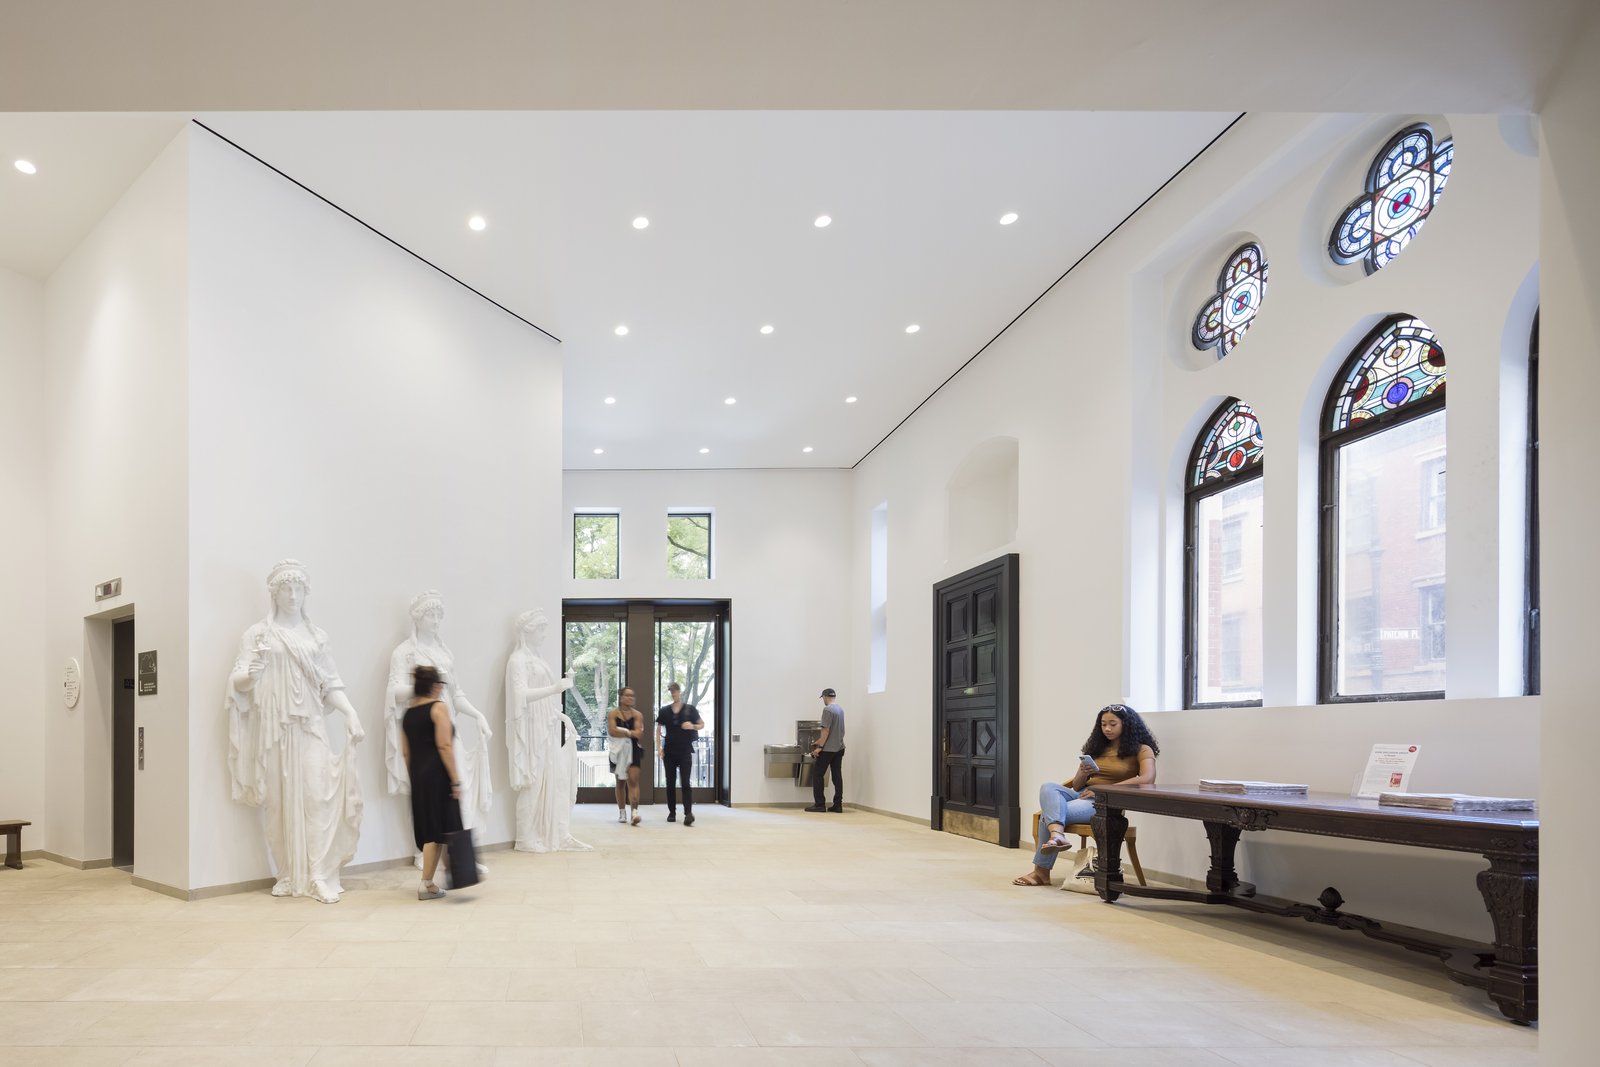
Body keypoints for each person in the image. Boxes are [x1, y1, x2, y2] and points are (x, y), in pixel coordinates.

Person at [226, 559, 364, 905]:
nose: (292, 595)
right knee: (278, 806)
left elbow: (330, 682)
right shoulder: (258, 635)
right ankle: (288, 874)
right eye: (285, 588)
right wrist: (251, 675)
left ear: (306, 592)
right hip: (273, 728)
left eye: (298, 588)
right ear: (274, 593)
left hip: (311, 724)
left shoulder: (317, 637)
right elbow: (238, 680)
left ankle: (317, 874)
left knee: (317, 797)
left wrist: (350, 713)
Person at [385, 591, 493, 864]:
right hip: (423, 729)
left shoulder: (445, 653)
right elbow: (394, 691)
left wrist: (478, 715)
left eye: (438, 615)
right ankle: (425, 852)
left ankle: (458, 854)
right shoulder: (404, 652)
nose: (435, 620)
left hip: (446, 725)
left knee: (457, 791)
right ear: (418, 618)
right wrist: (424, 687)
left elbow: (456, 694)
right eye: (430, 614)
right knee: (428, 796)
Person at [1013, 703, 1160, 887]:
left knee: (1046, 816)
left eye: (1113, 724)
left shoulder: (1142, 749)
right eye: (1103, 724)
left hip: (1104, 801)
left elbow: (1147, 778)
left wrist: (1103, 790)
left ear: (1126, 724)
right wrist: (1083, 772)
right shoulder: (1097, 748)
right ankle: (1057, 835)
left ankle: (1041, 872)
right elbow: (1076, 785)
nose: (1107, 728)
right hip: (1082, 794)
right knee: (1048, 787)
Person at [506, 608, 589, 853]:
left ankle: (557, 832)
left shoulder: (538, 659)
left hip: (546, 724)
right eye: (541, 629)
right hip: (530, 727)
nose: (544, 634)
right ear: (527, 631)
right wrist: (554, 689)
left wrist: (563, 717)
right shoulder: (517, 661)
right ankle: (525, 839)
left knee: (553, 781)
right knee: (533, 781)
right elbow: (520, 695)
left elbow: (545, 700)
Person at [401, 665, 464, 900]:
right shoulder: (439, 708)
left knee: (431, 829)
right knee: (440, 829)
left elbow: (406, 753)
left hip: (419, 776)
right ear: (435, 686)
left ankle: (430, 882)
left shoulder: (408, 713)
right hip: (438, 775)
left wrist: (416, 777)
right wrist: (455, 781)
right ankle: (427, 883)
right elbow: (444, 746)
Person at [656, 682, 704, 826]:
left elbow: (702, 724)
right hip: (669, 750)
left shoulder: (690, 710)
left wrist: (692, 726)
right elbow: (658, 729)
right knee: (670, 782)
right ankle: (672, 812)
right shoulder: (664, 711)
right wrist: (659, 748)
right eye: (671, 691)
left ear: (680, 692)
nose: (673, 693)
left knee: (685, 782)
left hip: (684, 751)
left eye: (675, 691)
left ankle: (688, 813)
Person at [608, 688, 646, 825]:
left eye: (632, 695)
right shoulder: (612, 714)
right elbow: (612, 731)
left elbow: (638, 734)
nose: (631, 698)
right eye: (628, 695)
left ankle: (634, 812)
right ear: (621, 697)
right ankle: (622, 812)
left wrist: (622, 731)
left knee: (633, 781)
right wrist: (629, 732)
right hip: (617, 750)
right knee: (620, 782)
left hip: (633, 749)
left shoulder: (637, 715)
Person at [805, 687, 846, 812]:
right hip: (839, 748)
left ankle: (820, 804)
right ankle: (838, 805)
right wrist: (818, 741)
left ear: (824, 697)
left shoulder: (827, 709)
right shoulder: (840, 709)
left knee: (817, 774)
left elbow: (826, 730)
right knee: (837, 776)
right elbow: (835, 731)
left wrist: (819, 747)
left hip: (828, 750)